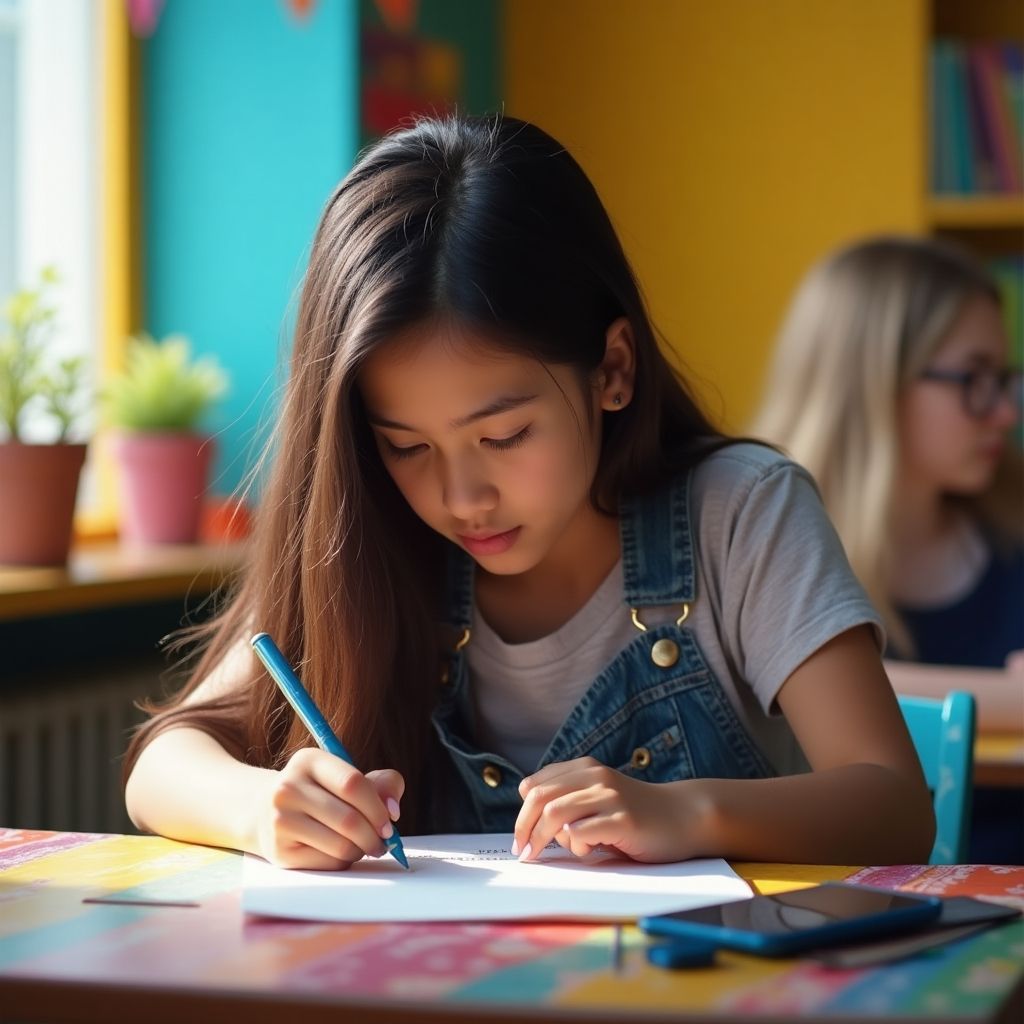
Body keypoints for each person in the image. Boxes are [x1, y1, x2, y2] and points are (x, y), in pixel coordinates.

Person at [123, 117, 934, 870]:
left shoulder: (742, 513)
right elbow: (161, 765)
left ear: (612, 371)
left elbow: (896, 804)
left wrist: (689, 814)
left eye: (504, 436)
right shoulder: (373, 532)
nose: (462, 496)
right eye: (406, 446)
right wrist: (259, 809)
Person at [751, 235, 1023, 862]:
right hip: (858, 902)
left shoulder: (1014, 528)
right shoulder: (763, 544)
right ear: (872, 382)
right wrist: (1009, 698)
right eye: (974, 379)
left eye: (1004, 379)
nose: (1005, 412)